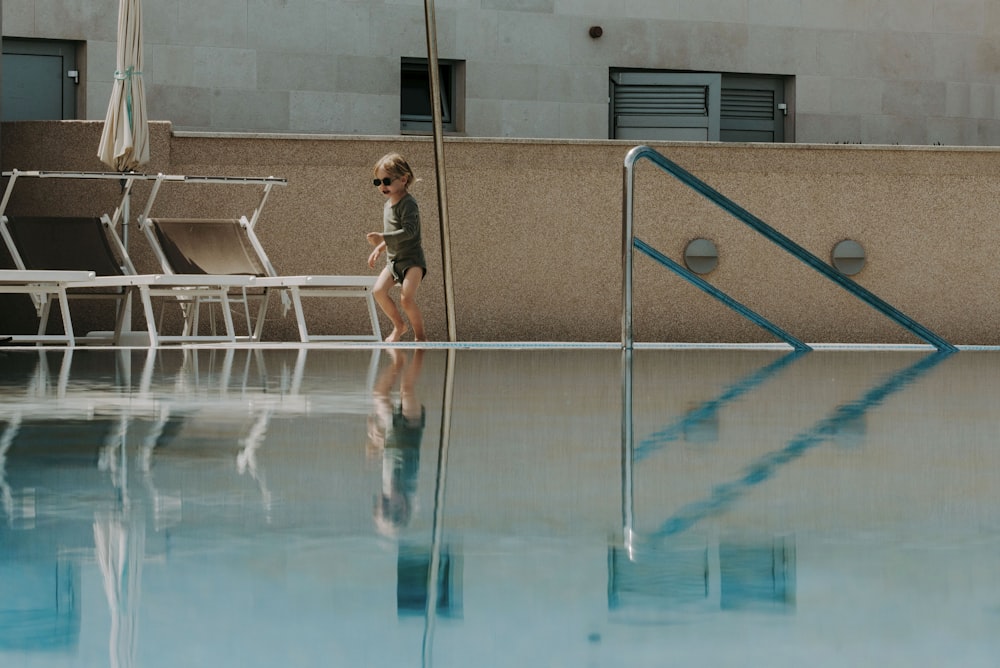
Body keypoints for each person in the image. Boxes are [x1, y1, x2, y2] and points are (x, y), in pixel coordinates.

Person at [366, 153, 427, 342]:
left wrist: (383, 237)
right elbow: (395, 233)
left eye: (386, 181)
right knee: (378, 291)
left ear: (403, 179)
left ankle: (421, 337)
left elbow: (409, 232)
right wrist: (380, 248)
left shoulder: (408, 203)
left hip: (412, 261)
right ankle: (399, 325)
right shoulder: (387, 205)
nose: (382, 186)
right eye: (378, 182)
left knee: (406, 298)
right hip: (393, 260)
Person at [367, 348, 426, 536]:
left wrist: (378, 443)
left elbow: (390, 457)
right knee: (406, 389)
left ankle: (398, 362)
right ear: (404, 506)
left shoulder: (387, 487)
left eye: (381, 501)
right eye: (387, 504)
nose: (384, 498)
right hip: (410, 426)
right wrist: (381, 442)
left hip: (393, 428)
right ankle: (420, 351)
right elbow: (407, 453)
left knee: (379, 394)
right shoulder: (409, 483)